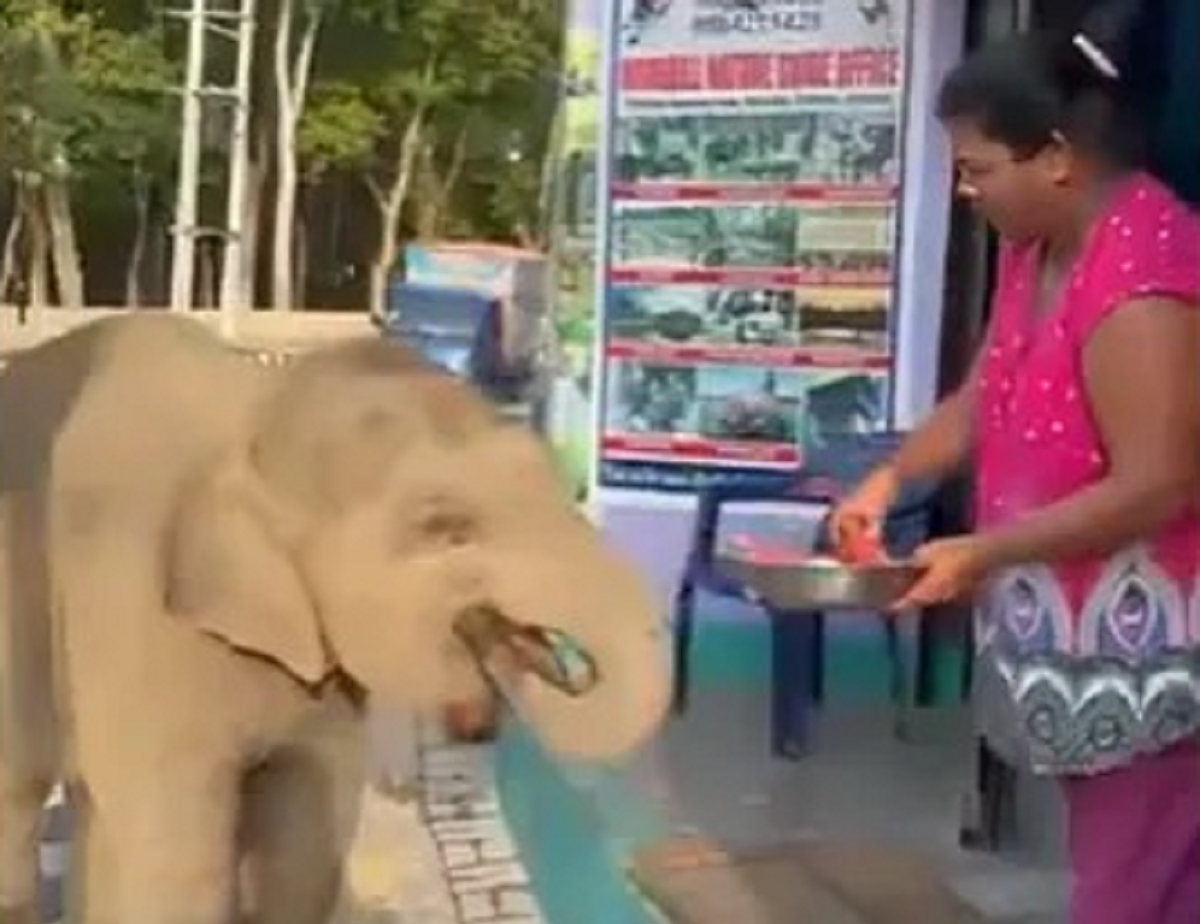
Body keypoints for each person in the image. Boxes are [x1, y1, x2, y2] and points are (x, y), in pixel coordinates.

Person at [829, 5, 1200, 924]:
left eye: (977, 169)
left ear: (1059, 157)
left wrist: (980, 554)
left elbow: (1161, 483)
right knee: (1146, 879)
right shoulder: (1032, 252)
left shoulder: (1145, 273)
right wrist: (891, 480)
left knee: (1126, 892)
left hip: (1155, 654)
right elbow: (980, 397)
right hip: (1074, 654)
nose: (966, 192)